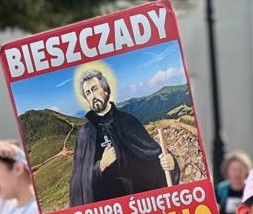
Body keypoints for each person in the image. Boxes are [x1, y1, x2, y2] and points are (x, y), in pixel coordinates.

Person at [67, 69, 180, 206]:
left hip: (135, 201)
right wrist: (100, 165)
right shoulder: (85, 134)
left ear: (106, 90)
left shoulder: (128, 121)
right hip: (106, 208)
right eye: (88, 93)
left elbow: (153, 155)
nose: (93, 96)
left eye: (95, 89)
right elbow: (78, 183)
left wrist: (170, 163)